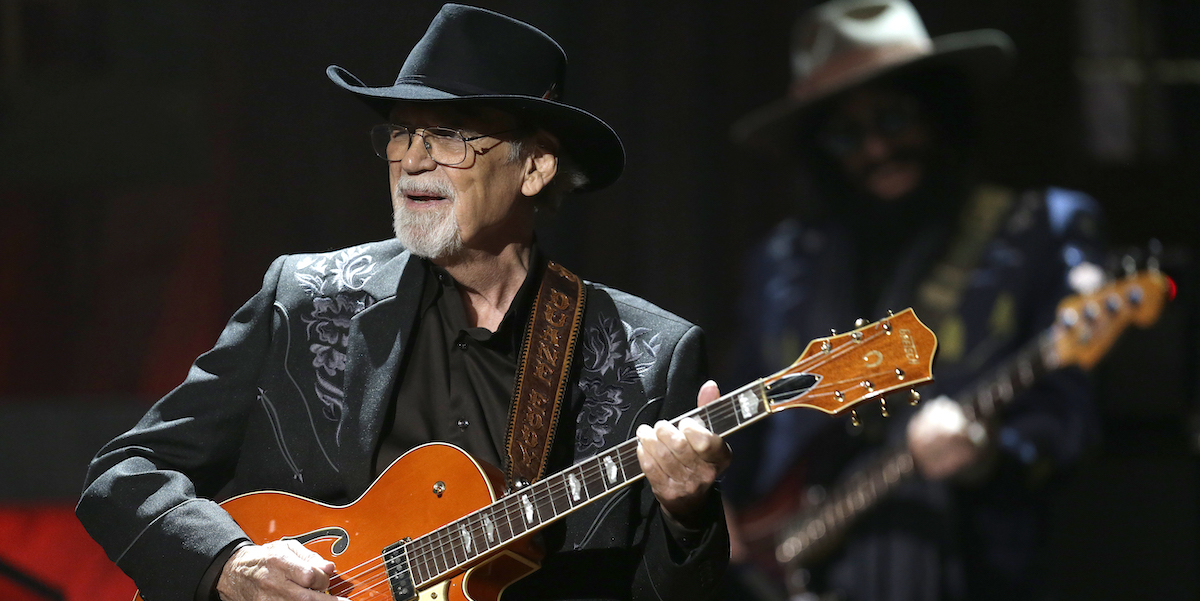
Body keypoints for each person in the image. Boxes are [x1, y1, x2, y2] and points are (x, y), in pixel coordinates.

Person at [76, 5, 730, 601]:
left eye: (448, 134)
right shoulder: (304, 299)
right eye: (400, 133)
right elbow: (126, 472)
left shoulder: (649, 356)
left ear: (534, 167)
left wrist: (686, 513)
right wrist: (226, 561)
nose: (412, 159)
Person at [721, 1, 1104, 600]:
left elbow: (1071, 419)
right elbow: (746, 421)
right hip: (778, 565)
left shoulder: (1036, 231)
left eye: (894, 119)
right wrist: (715, 510)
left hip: (963, 559)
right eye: (847, 134)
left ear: (939, 112)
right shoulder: (783, 263)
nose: (876, 149)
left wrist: (986, 453)